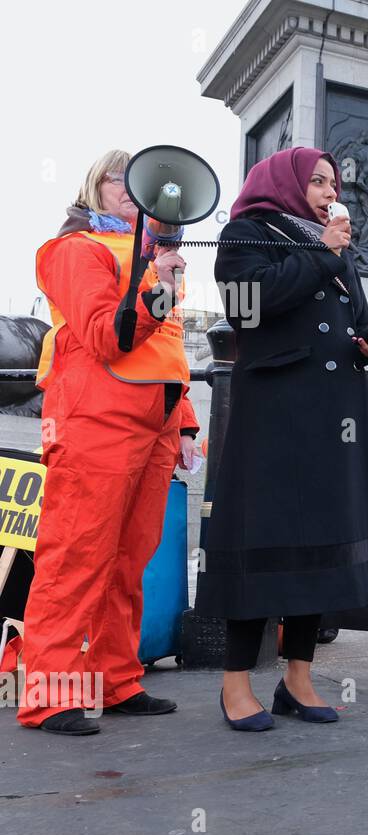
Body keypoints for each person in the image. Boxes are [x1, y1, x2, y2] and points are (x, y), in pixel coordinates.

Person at [195, 147, 368, 730]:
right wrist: (321, 252)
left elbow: (354, 321)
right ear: (284, 182)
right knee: (259, 539)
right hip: (277, 412)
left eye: (332, 183)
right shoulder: (247, 233)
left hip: (338, 412)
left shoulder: (332, 246)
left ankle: (297, 677)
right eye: (316, 181)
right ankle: (235, 683)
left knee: (325, 540)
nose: (327, 191)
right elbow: (246, 309)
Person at [17, 149, 201, 736]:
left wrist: (187, 421)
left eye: (137, 178)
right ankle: (49, 696)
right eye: (117, 177)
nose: (130, 187)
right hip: (95, 421)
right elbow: (106, 335)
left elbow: (166, 345)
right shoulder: (75, 249)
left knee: (129, 560)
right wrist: (157, 292)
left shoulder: (150, 257)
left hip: (155, 422)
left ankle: (116, 679)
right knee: (75, 557)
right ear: (93, 188)